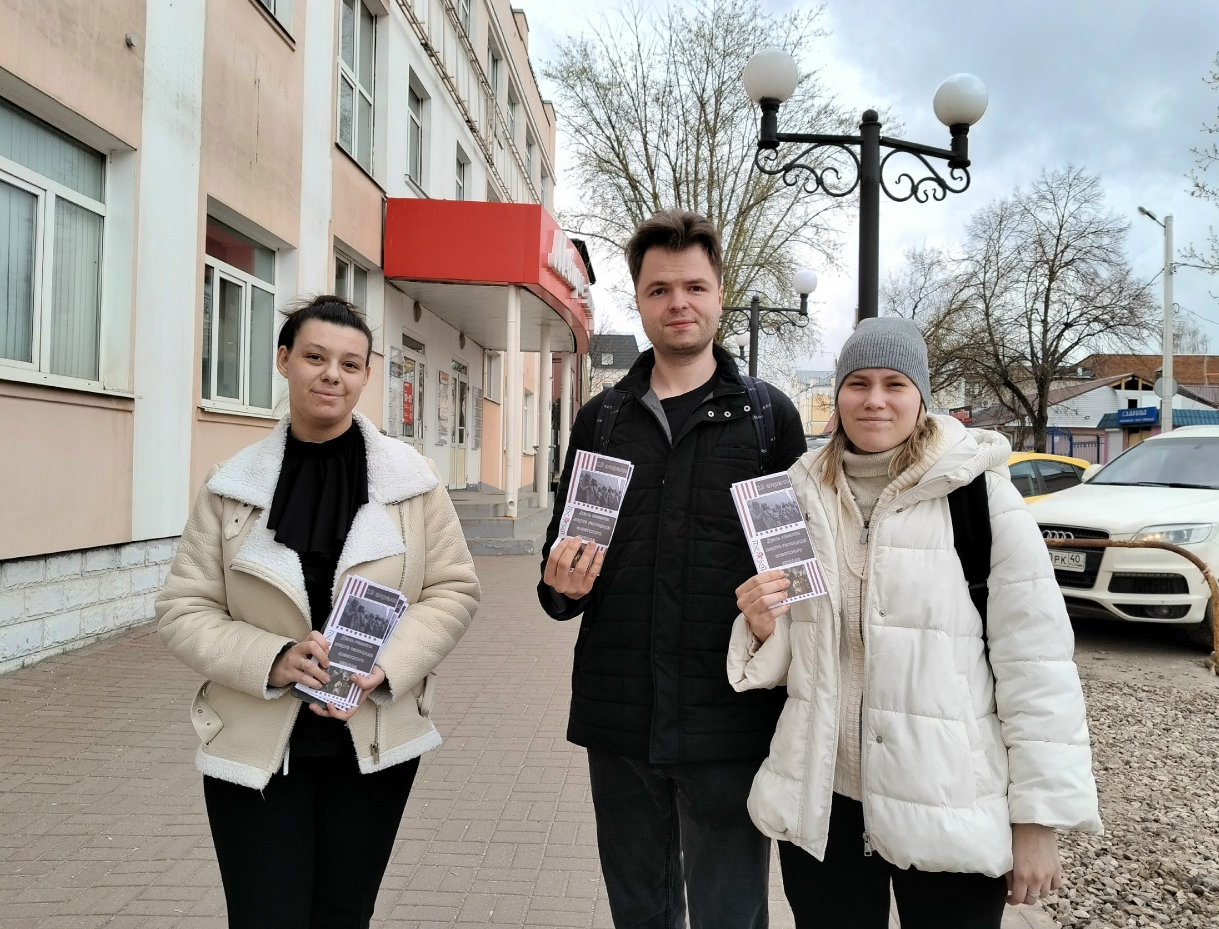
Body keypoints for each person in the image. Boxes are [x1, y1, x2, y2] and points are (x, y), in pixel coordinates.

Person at [728, 317, 1102, 929]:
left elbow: (1037, 666)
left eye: (894, 384)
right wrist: (765, 628)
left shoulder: (980, 498)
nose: (874, 400)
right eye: (858, 383)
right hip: (826, 807)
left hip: (949, 802)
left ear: (921, 396)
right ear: (838, 397)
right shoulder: (797, 498)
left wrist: (1037, 821)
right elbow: (801, 656)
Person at [155, 295, 481, 929]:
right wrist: (272, 659)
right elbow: (183, 608)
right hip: (255, 742)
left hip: (369, 741)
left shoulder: (411, 483)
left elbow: (453, 590)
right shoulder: (232, 486)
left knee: (343, 914)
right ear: (284, 361)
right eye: (315, 357)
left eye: (350, 364)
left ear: (366, 375)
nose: (333, 375)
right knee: (264, 914)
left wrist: (386, 665)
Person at [539, 210, 807, 929]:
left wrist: (775, 618)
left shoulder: (767, 419)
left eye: (694, 287)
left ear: (720, 294)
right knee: (640, 912)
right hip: (620, 715)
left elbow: (796, 569)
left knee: (730, 913)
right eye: (659, 289)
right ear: (639, 299)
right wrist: (560, 590)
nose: (678, 303)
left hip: (727, 717)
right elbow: (560, 566)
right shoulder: (602, 420)